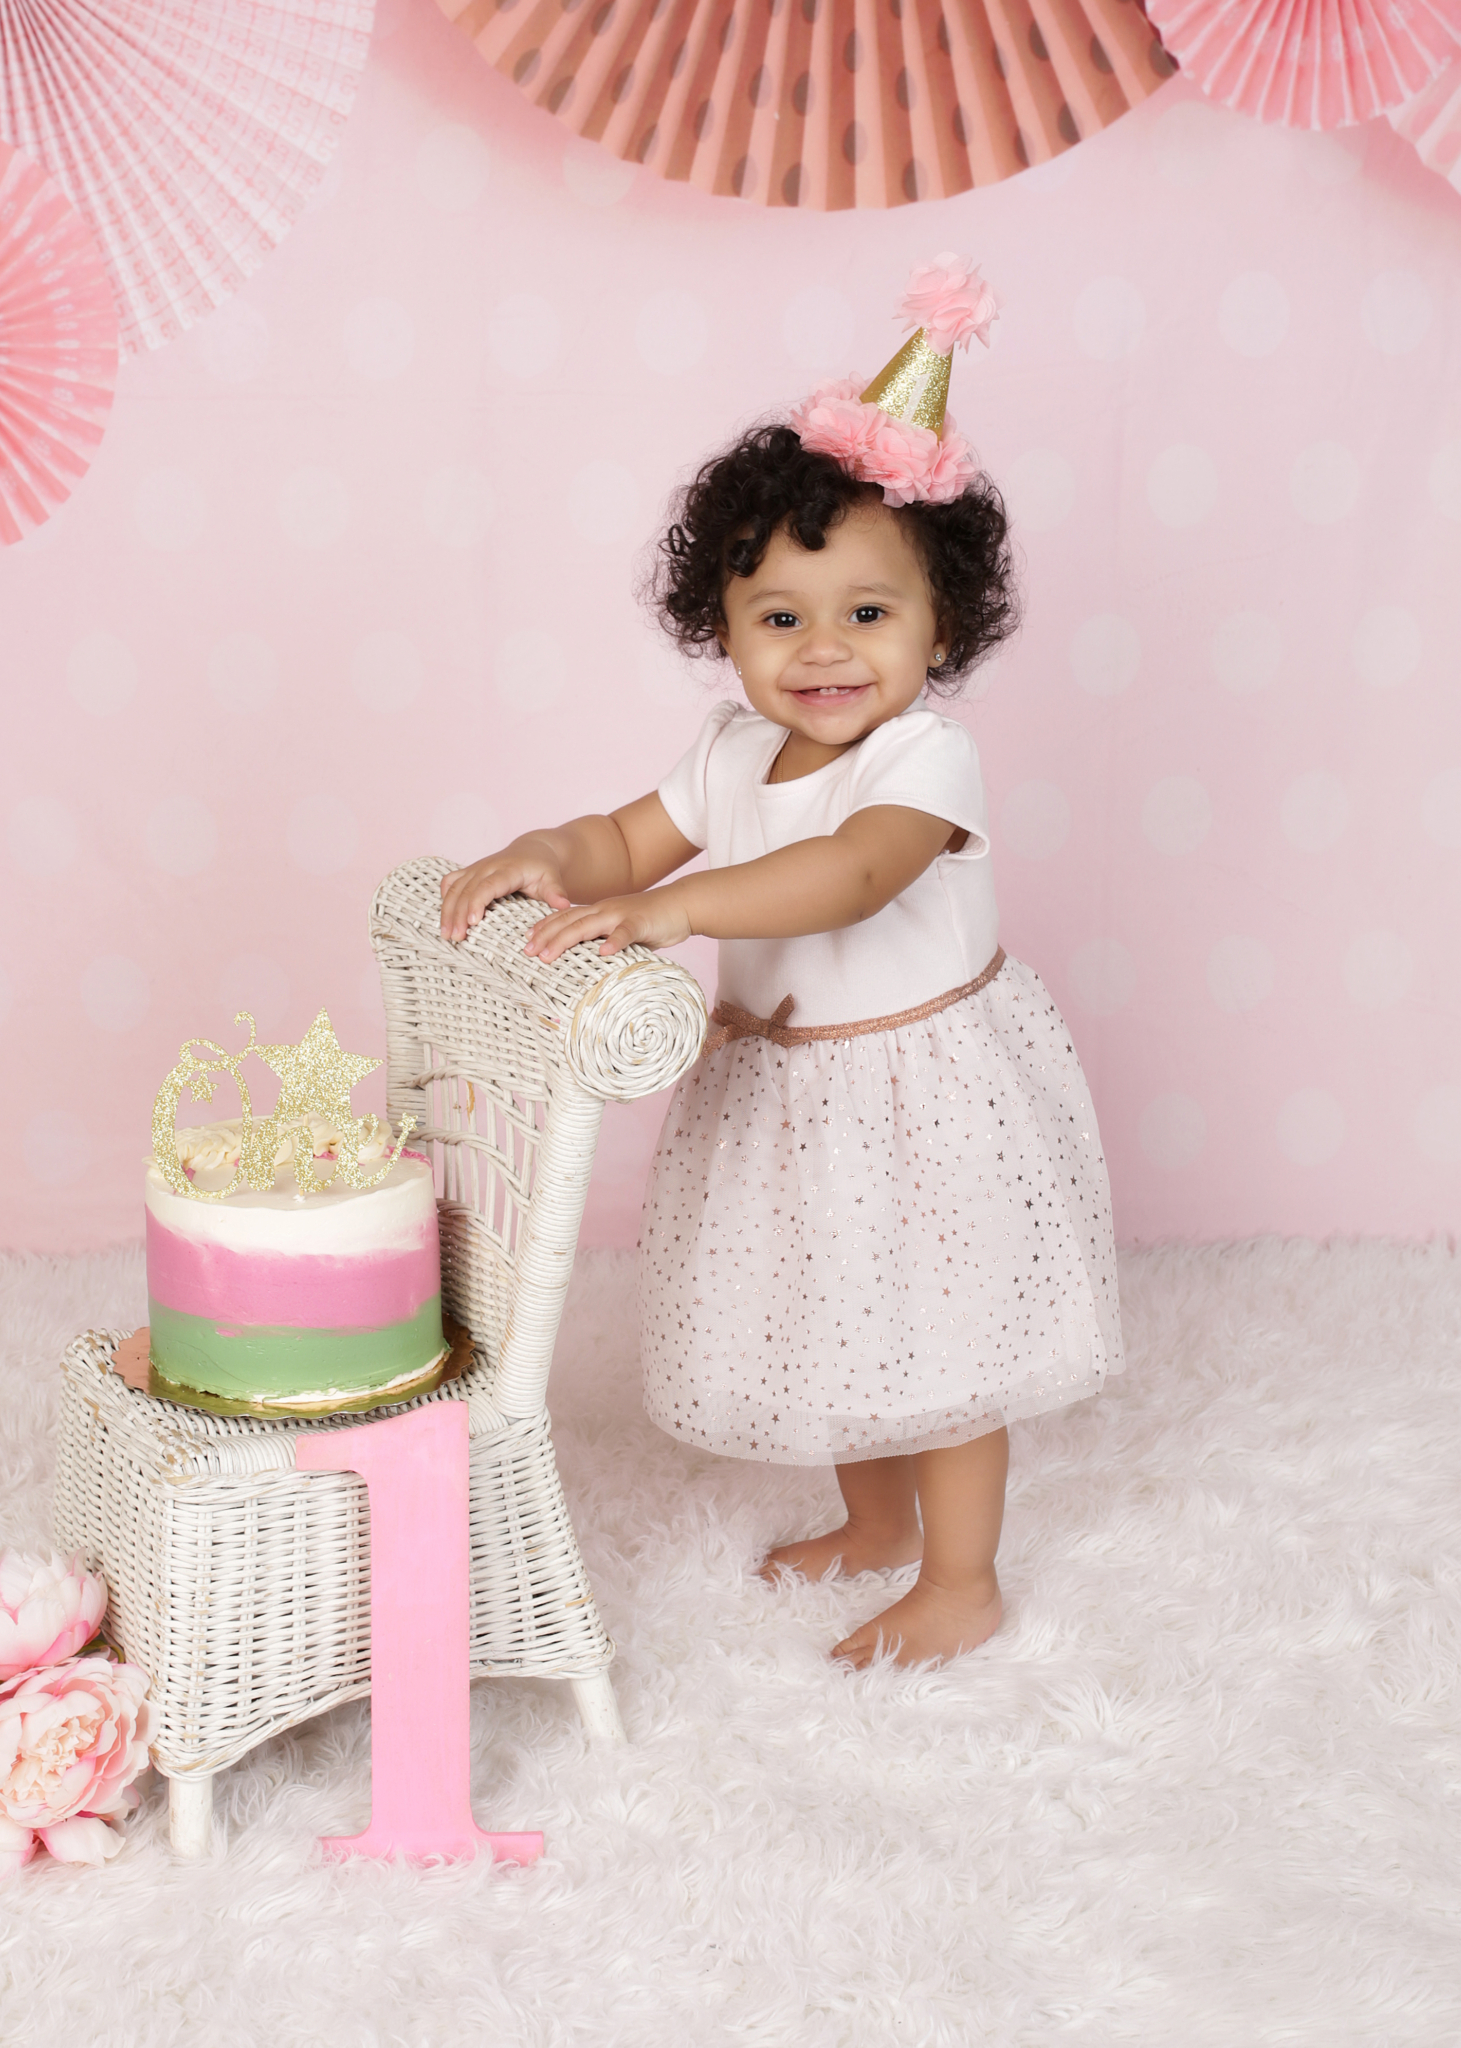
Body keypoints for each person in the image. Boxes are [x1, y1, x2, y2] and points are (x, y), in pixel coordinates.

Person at [439, 255, 1121, 1667]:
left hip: (922, 1092)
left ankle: (962, 1579)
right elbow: (632, 839)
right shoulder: (732, 750)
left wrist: (684, 917)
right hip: (794, 1098)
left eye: (869, 615)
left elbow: (850, 872)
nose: (825, 651)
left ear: (944, 625)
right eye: (780, 618)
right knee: (834, 1320)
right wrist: (554, 858)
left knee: (936, 1344)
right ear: (724, 630)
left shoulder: (927, 759)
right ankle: (873, 1528)